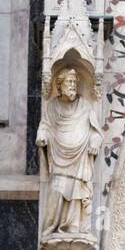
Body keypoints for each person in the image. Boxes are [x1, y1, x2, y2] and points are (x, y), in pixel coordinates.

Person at [37, 65, 102, 236]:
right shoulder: (52, 107)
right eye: (69, 82)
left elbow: (96, 131)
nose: (73, 85)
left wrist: (94, 141)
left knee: (77, 191)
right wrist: (42, 135)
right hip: (59, 155)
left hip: (79, 155)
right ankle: (52, 226)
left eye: (75, 82)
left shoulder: (85, 106)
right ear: (60, 85)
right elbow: (45, 125)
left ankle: (74, 227)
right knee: (57, 190)